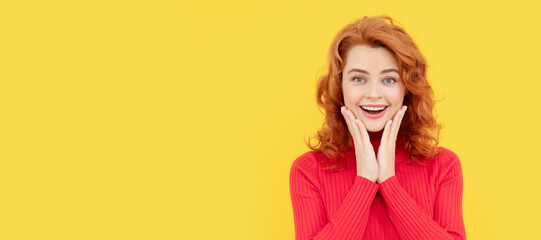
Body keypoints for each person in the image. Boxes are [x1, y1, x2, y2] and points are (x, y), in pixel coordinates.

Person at [289, 16, 466, 240]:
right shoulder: (308, 171)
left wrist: (389, 183)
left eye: (389, 80)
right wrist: (364, 181)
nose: (373, 94)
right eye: (359, 79)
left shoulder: (443, 167)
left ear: (407, 89)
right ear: (340, 87)